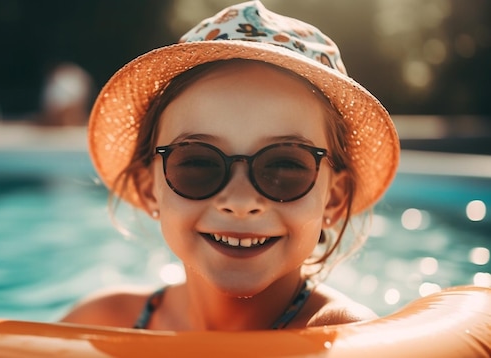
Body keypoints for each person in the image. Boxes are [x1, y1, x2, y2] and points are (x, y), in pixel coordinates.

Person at [61, 0, 399, 330]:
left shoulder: (347, 339)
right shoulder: (103, 323)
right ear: (148, 189)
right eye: (196, 163)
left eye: (284, 166)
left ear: (334, 199)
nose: (239, 202)